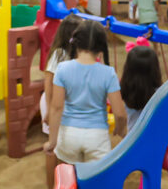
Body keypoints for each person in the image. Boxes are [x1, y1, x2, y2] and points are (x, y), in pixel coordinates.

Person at [43, 20, 126, 166]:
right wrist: (119, 130)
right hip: (97, 137)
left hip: (69, 135)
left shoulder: (62, 69)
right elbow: (119, 114)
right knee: (96, 179)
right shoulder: (108, 73)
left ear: (76, 43)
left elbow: (56, 108)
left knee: (69, 177)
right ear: (101, 47)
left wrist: (52, 141)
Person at [120, 44, 163, 189]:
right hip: (149, 143)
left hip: (130, 139)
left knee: (128, 172)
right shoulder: (159, 93)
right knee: (148, 179)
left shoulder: (122, 88)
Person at [40, 13, 84, 189]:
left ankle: (62, 188)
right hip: (53, 103)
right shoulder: (60, 54)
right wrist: (50, 110)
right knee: (54, 146)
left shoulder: (73, 54)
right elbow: (48, 82)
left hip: (62, 105)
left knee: (62, 145)